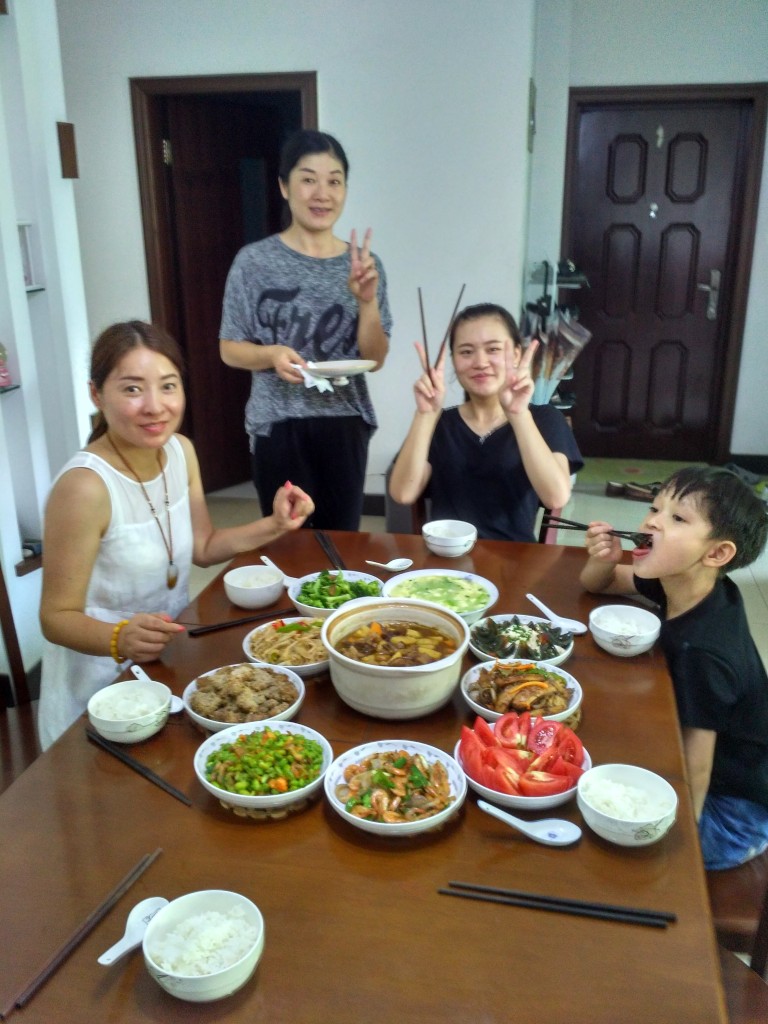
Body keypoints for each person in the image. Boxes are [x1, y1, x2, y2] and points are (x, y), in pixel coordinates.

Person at [38, 321, 314, 750]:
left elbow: (203, 547)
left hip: (168, 664)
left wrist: (274, 525)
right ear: (96, 395)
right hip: (101, 693)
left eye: (168, 386)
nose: (154, 406)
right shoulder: (84, 487)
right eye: (132, 389)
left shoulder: (179, 451)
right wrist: (118, 638)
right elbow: (55, 617)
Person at [580, 466, 768, 870]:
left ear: (717, 553)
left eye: (677, 518)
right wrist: (607, 560)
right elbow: (602, 583)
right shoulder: (685, 580)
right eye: (655, 507)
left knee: (594, 829)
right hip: (719, 785)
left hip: (732, 817)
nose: (651, 521)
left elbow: (696, 768)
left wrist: (679, 854)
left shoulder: (704, 652)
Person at [219, 128, 392, 531]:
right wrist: (270, 355)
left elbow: (376, 358)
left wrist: (366, 300)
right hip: (277, 423)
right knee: (286, 540)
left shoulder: (366, 265)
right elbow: (229, 347)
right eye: (308, 179)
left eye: (334, 180)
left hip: (344, 420)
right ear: (284, 186)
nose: (322, 193)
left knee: (341, 543)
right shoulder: (253, 262)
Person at [388, 302, 583, 541]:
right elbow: (403, 494)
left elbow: (556, 496)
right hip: (443, 561)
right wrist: (425, 414)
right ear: (454, 360)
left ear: (517, 354)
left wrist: (518, 414)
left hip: (515, 561)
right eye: (466, 352)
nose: (480, 362)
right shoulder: (440, 423)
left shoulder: (545, 419)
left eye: (493, 349)